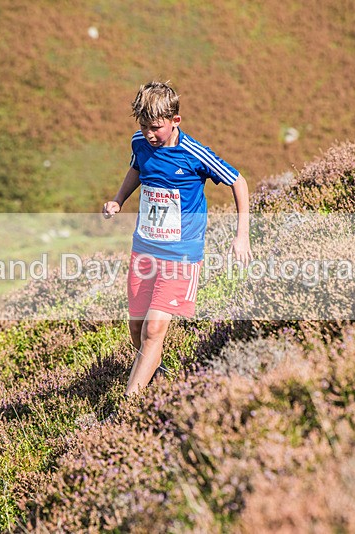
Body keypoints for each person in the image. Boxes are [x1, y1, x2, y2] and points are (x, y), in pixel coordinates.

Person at [102, 81, 252, 396]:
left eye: (156, 128)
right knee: (137, 328)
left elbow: (239, 182)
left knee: (154, 330)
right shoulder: (140, 143)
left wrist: (242, 236)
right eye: (143, 127)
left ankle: (129, 407)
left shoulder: (194, 153)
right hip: (143, 250)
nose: (149, 134)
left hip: (180, 255)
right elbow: (137, 170)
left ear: (175, 121)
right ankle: (155, 377)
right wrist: (119, 200)